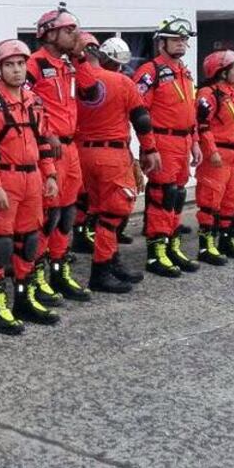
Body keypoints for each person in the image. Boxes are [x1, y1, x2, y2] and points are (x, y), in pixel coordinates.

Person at [0, 39, 61, 329]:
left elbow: (43, 141)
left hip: (32, 178)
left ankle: (24, 299)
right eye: (9, 65)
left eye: (21, 64)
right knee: (2, 245)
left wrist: (51, 176)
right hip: (5, 180)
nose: (17, 70)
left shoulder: (33, 101)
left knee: (29, 242)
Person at [74, 35, 159, 293]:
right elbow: (141, 119)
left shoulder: (71, 81)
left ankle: (111, 261)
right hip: (111, 154)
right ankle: (101, 270)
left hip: (81, 153)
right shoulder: (122, 82)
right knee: (114, 214)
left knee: (97, 211)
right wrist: (150, 149)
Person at [26, 3, 91, 303]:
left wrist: (82, 55)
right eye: (68, 31)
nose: (74, 35)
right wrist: (47, 131)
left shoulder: (68, 66)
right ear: (49, 34)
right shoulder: (32, 65)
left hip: (71, 147)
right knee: (48, 215)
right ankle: (36, 276)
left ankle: (59, 270)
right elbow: (24, 104)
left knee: (67, 214)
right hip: (48, 149)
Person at [132, 16, 202, 277]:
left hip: (183, 141)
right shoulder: (150, 72)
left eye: (184, 40)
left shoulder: (184, 71)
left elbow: (191, 111)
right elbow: (140, 113)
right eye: (175, 39)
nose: (181, 44)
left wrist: (195, 142)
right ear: (161, 43)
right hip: (162, 141)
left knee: (177, 195)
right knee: (163, 195)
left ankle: (172, 245)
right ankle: (156, 253)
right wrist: (149, 148)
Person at [195, 47, 234, 264]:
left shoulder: (233, 94)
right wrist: (211, 151)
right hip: (217, 156)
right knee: (210, 201)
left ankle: (227, 241)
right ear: (222, 72)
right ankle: (206, 246)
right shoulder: (208, 94)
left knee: (231, 200)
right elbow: (202, 125)